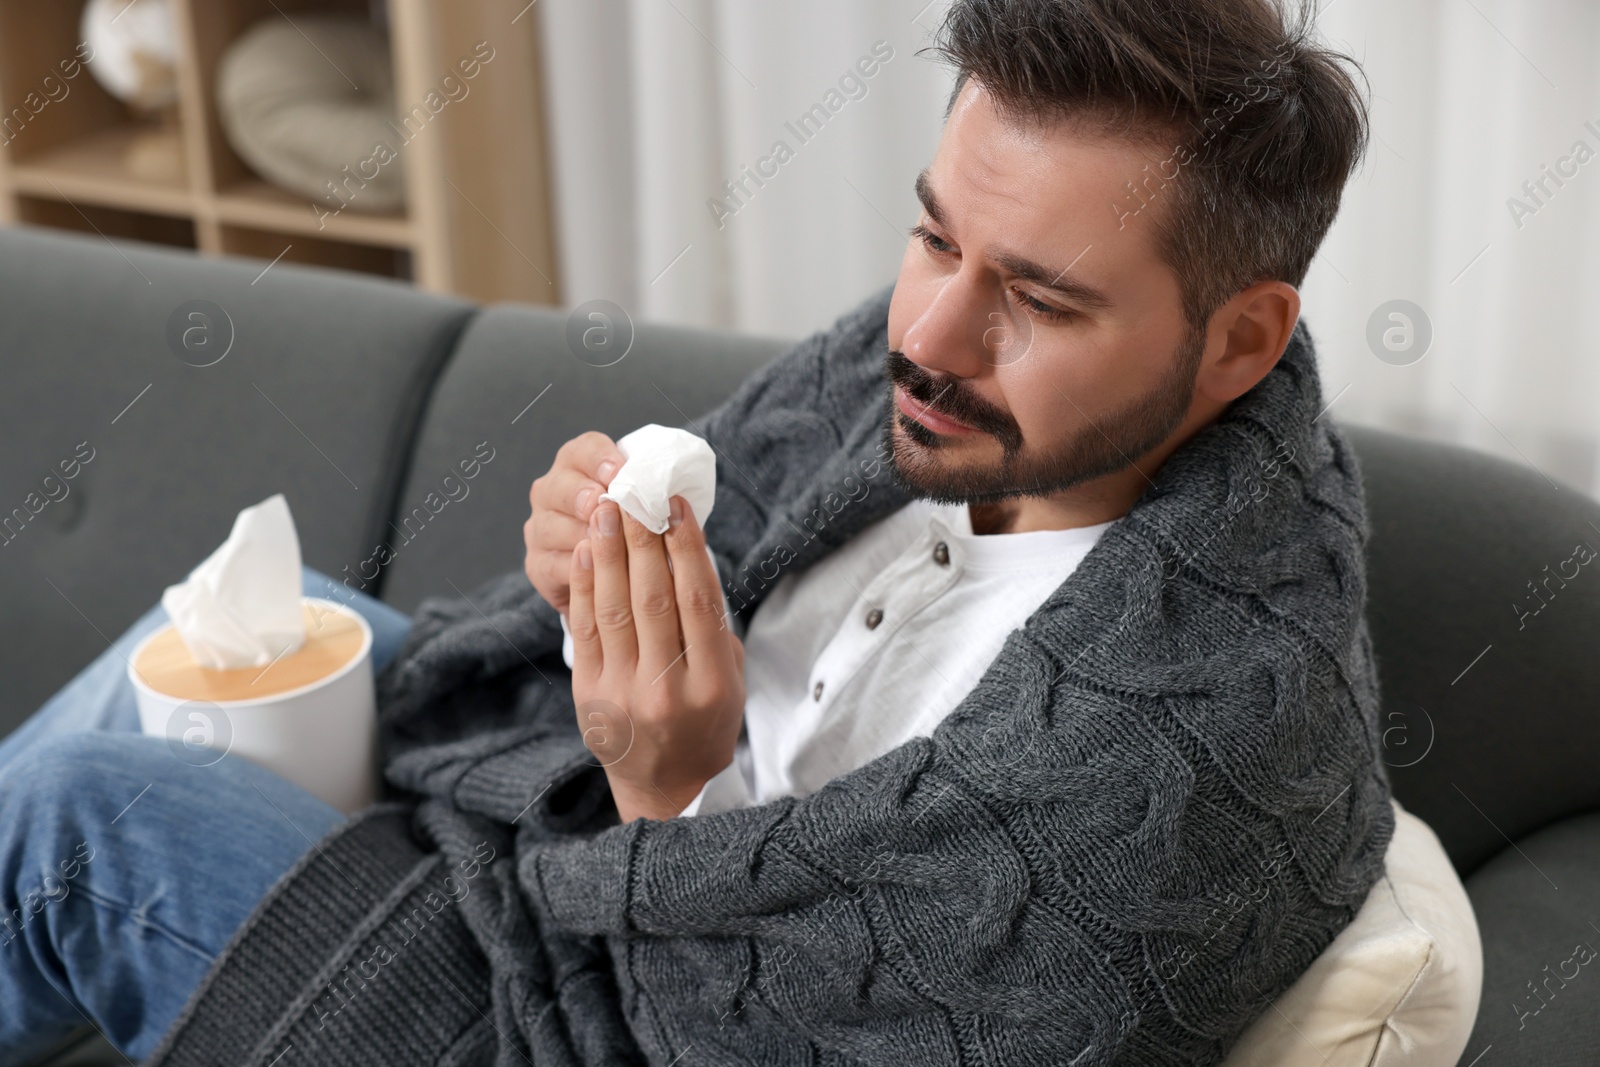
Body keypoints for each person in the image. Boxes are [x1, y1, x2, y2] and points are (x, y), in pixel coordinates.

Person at [0, 0, 1392, 1063]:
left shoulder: (1191, 755)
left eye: (1042, 300)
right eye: (931, 239)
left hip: (580, 1015)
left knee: (80, 824)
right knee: (219, 639)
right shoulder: (939, 376)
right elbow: (722, 541)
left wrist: (667, 788)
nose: (927, 332)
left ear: (1238, 344)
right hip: (541, 827)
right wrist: (589, 585)